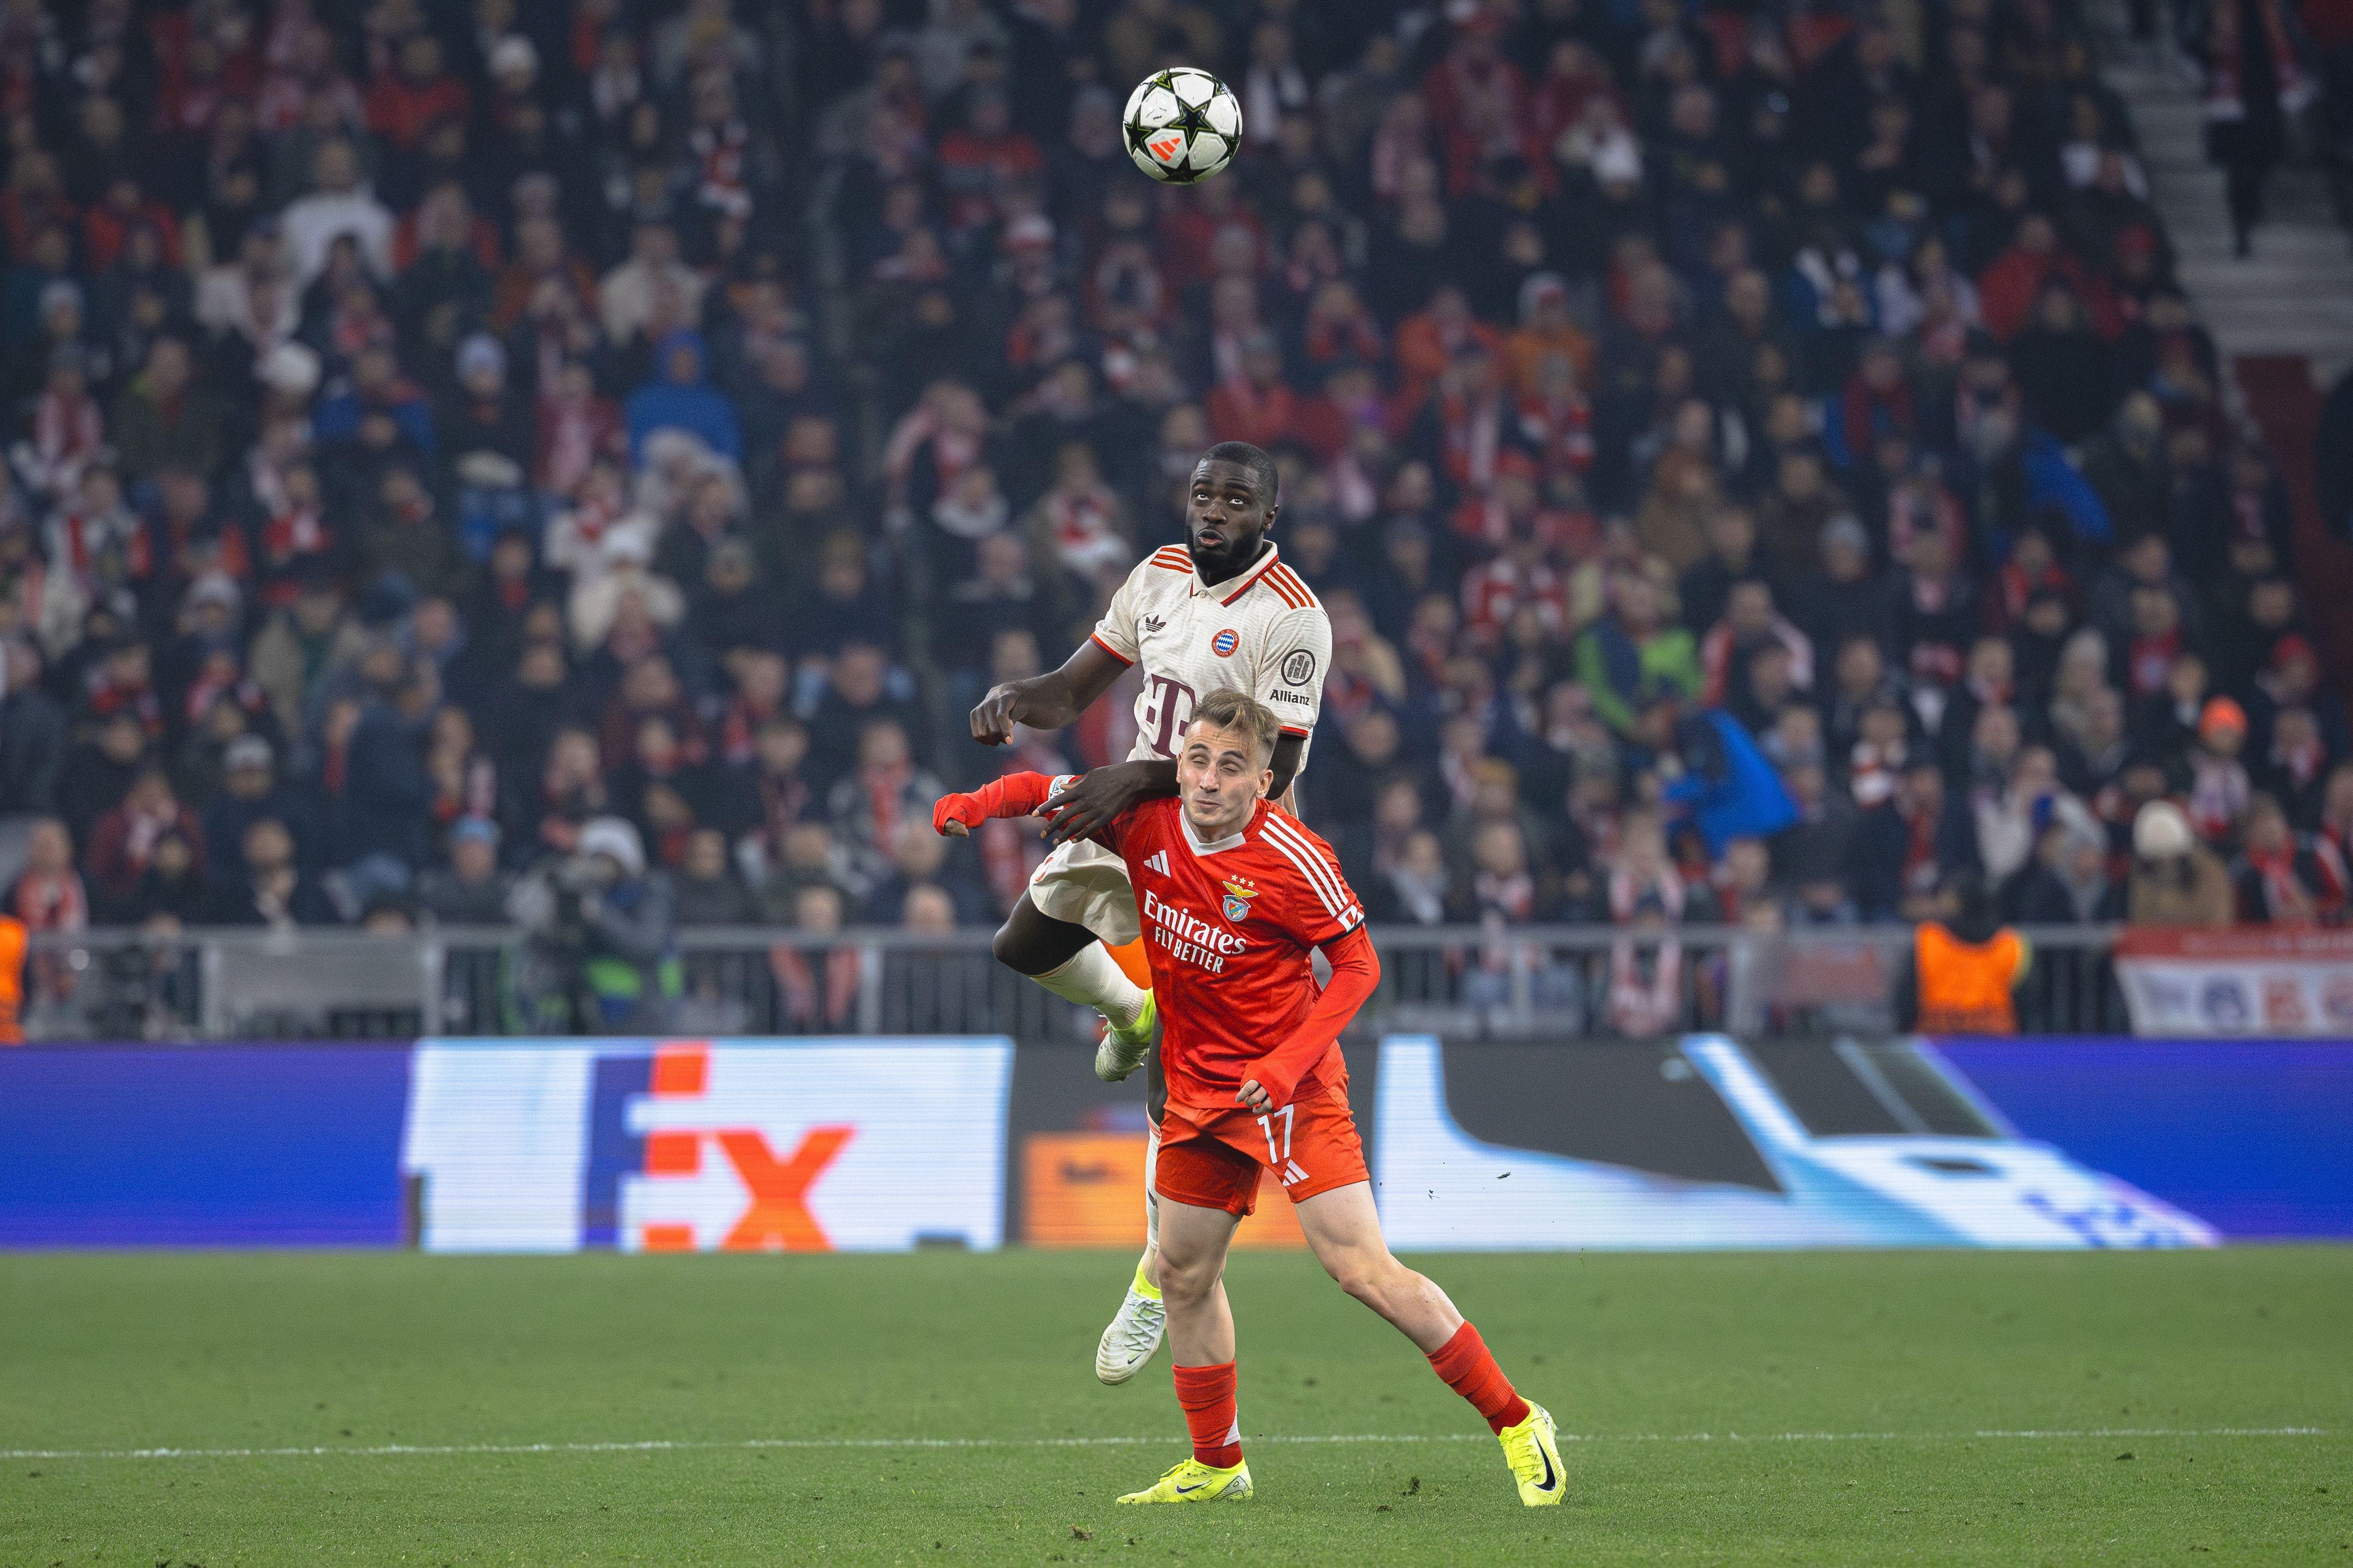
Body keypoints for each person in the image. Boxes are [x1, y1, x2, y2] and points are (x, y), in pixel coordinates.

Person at [933, 692, 1562, 1509]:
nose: (1206, 780)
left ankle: (1518, 1422)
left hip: (1290, 1088)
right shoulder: (1143, 815)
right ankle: (1219, 1465)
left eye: (1231, 767)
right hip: (1198, 1089)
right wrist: (973, 806)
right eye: (1197, 759)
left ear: (1262, 780)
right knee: (1183, 1272)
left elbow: (1360, 966)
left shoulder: (1293, 857)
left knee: (1360, 1270)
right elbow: (1045, 790)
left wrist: (1291, 1059)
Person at [963, 441, 1332, 1385]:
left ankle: (1152, 1279)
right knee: (1026, 940)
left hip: (1223, 857)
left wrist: (1137, 774)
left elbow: (1277, 771)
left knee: (1181, 1095)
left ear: (1268, 514)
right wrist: (1017, 698)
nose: (1214, 510)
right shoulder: (1160, 574)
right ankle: (1130, 1010)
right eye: (1204, 493)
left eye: (1237, 499)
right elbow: (1073, 687)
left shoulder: (1292, 620)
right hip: (1133, 819)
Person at [1895, 871, 2030, 1033]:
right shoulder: (2011, 943)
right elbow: (2026, 1000)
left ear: (1958, 901)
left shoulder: (1928, 938)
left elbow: (1907, 999)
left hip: (1937, 1040)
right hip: (1996, 1043)